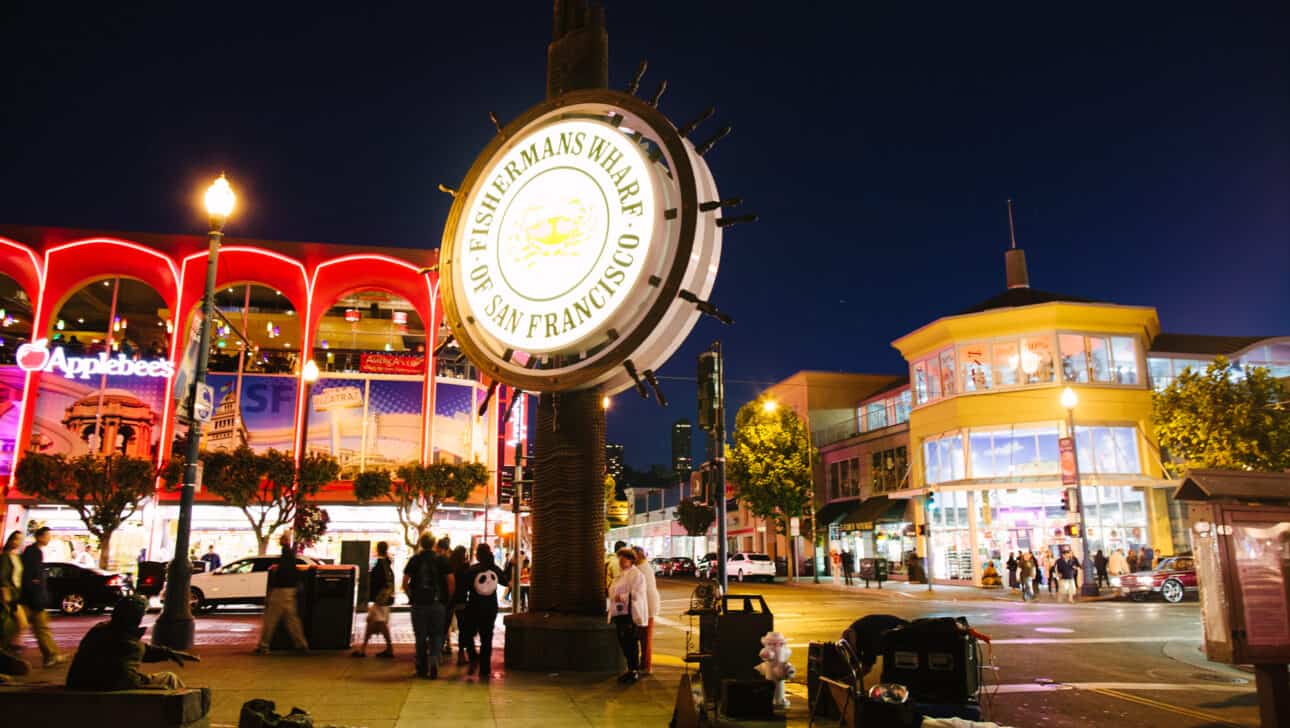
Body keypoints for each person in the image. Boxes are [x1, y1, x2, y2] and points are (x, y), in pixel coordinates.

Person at [65, 595, 198, 690]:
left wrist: (167, 653)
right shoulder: (130, 643)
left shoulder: (99, 630)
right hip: (109, 694)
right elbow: (126, 679)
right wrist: (145, 680)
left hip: (79, 686)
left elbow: (139, 650)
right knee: (169, 678)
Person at [404, 532, 453, 679]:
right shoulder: (442, 560)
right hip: (437, 603)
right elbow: (451, 581)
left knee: (420, 635)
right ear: (434, 545)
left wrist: (411, 596)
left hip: (419, 604)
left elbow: (405, 582)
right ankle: (434, 661)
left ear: (420, 543)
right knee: (437, 634)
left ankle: (421, 666)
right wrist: (446, 599)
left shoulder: (415, 560)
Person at [255, 533, 308, 655]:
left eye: (282, 539)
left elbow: (283, 573)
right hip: (290, 590)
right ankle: (301, 644)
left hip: (281, 591)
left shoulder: (285, 554)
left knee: (271, 619)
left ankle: (264, 645)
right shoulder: (290, 554)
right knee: (291, 619)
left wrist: (273, 588)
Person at [463, 543, 508, 682]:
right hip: (490, 608)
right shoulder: (494, 569)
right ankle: (485, 668)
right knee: (487, 637)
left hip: (473, 607)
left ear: (477, 555)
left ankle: (473, 657)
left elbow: (464, 586)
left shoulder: (472, 570)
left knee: (468, 634)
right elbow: (506, 581)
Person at [21, 527, 62, 667]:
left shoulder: (35, 552)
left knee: (41, 628)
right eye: (47, 536)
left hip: (33, 597)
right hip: (32, 598)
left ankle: (52, 654)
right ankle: (51, 655)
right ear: (39, 537)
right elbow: (31, 576)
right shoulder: (33, 552)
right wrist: (36, 590)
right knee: (37, 628)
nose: (49, 538)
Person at [607, 547, 648, 685]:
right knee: (623, 641)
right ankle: (630, 669)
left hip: (629, 613)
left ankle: (633, 670)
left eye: (624, 558)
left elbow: (637, 594)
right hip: (619, 612)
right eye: (620, 558)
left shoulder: (636, 574)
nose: (621, 561)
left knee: (630, 641)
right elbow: (612, 590)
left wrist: (622, 597)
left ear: (631, 560)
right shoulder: (621, 574)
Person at [353, 541, 394, 658]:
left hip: (380, 598)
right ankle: (363, 648)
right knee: (371, 622)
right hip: (383, 597)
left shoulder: (381, 564)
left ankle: (389, 648)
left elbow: (377, 581)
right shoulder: (387, 563)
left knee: (379, 623)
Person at [634, 546, 661, 675]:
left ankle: (645, 665)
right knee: (643, 637)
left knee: (645, 638)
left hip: (646, 607)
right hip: (645, 607)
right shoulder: (644, 567)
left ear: (639, 556)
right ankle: (644, 664)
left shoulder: (641, 569)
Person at [1, 531, 26, 653]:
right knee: (19, 623)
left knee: (19, 624)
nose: (18, 542)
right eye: (16, 539)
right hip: (8, 595)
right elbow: (3, 577)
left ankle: (10, 646)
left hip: (16, 594)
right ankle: (9, 646)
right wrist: (5, 592)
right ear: (10, 540)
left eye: (20, 539)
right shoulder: (5, 557)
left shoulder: (17, 557)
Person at [448, 545, 470, 665]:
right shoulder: (465, 568)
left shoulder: (449, 567)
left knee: (444, 626)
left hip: (449, 601)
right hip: (461, 601)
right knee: (463, 628)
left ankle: (438, 652)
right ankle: (461, 654)